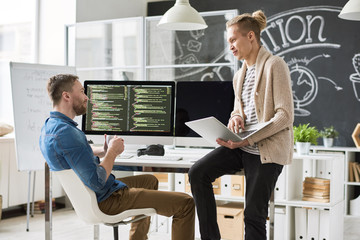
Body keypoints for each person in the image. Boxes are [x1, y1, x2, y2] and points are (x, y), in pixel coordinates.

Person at [39, 74, 195, 240]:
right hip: (106, 199)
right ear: (67, 96)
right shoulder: (69, 133)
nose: (86, 97)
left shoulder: (51, 127)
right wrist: (112, 153)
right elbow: (97, 181)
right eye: (83, 92)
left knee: (149, 181)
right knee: (185, 203)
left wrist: (101, 150)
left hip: (94, 194)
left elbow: (72, 153)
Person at [188, 10, 294, 240]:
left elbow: (285, 116)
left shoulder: (276, 65)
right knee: (198, 172)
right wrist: (235, 118)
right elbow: (239, 109)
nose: (231, 47)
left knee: (253, 215)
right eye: (229, 42)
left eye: (234, 40)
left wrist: (248, 140)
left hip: (265, 151)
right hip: (241, 146)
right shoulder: (240, 75)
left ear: (251, 37)